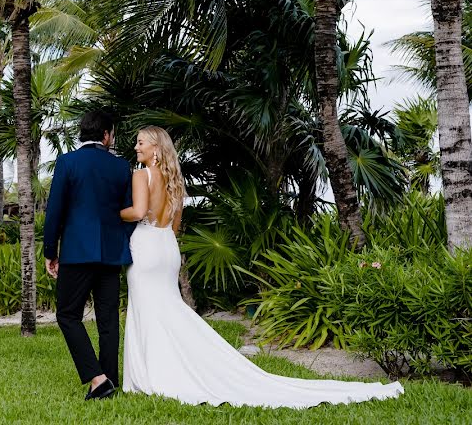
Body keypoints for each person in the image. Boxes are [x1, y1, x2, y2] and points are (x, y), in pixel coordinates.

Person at [120, 125, 405, 408]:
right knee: (168, 309)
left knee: (148, 309)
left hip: (146, 245)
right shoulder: (174, 181)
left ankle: (155, 373)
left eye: (141, 142)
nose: (136, 147)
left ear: (155, 148)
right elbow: (176, 225)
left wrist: (111, 211)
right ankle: (177, 365)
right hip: (167, 245)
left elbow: (138, 212)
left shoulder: (141, 175)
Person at [43, 110, 133, 400]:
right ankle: (110, 380)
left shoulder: (67, 162)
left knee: (68, 315)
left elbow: (54, 210)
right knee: (108, 320)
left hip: (77, 253)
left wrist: (50, 251)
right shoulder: (121, 167)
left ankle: (98, 379)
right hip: (110, 253)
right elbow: (128, 212)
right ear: (106, 135)